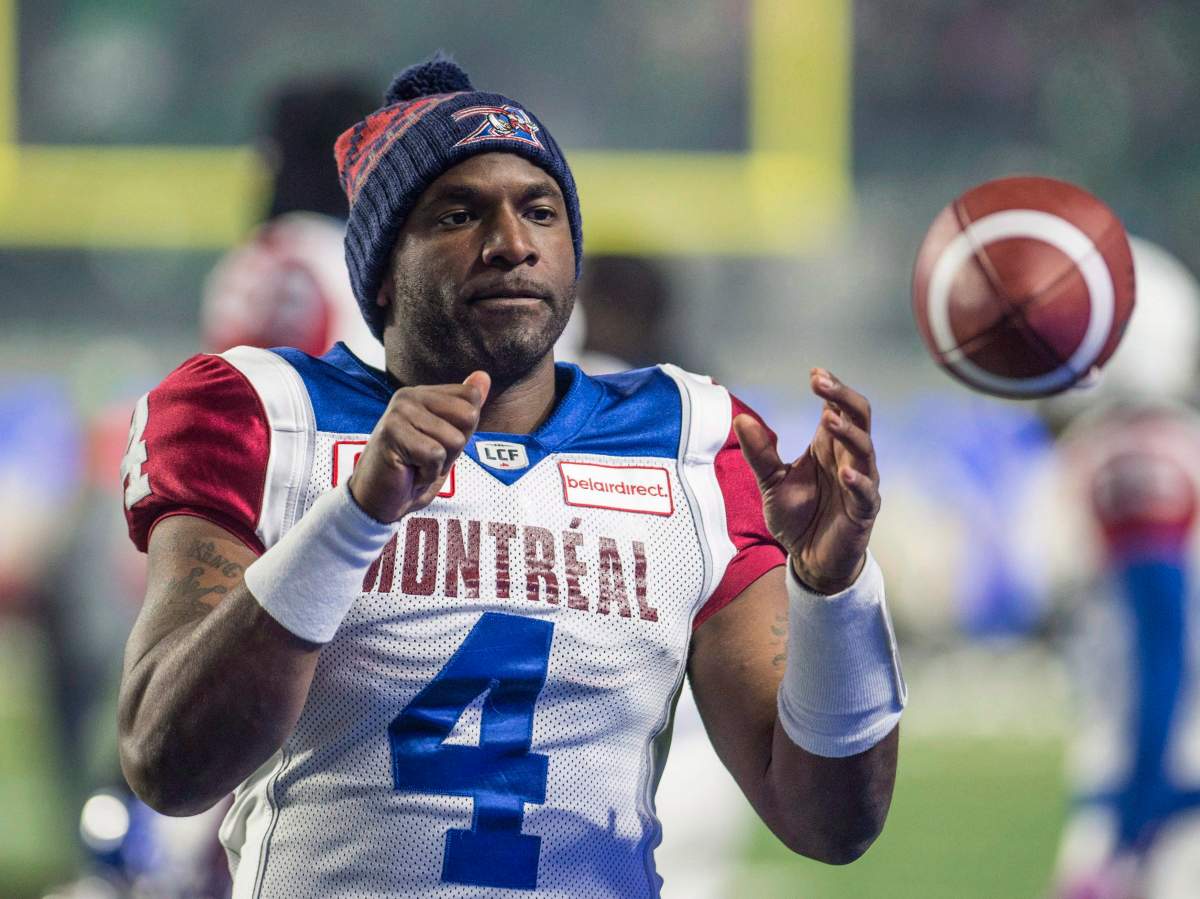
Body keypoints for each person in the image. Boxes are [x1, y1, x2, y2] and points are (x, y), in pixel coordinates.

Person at [116, 55, 905, 896]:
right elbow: (168, 765)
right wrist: (352, 517)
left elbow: (831, 824)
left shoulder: (693, 441)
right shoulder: (268, 415)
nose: (511, 244)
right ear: (381, 267)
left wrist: (834, 593)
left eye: (540, 210)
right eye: (459, 214)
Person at [1021, 238, 1200, 899]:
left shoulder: (1133, 456)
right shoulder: (1173, 444)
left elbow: (1162, 637)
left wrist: (1133, 817)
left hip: (1162, 794)